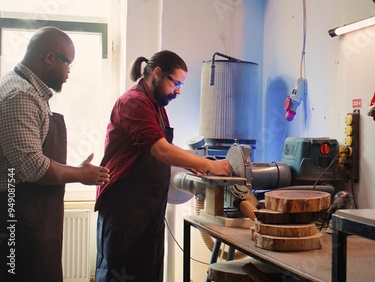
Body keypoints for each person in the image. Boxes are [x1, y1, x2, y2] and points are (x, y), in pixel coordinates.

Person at [95, 50, 232, 282]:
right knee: (121, 274)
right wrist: (210, 167)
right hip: (126, 208)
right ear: (157, 73)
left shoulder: (156, 107)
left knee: (147, 272)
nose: (178, 90)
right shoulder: (133, 102)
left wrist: (195, 163)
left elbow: (162, 149)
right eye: (176, 82)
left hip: (148, 208)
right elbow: (160, 149)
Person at [0, 26, 111, 282]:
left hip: (35, 214)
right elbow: (31, 166)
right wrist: (81, 174)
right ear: (49, 57)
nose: (69, 71)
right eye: (67, 63)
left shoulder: (33, 92)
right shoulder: (21, 94)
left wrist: (76, 170)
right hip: (20, 217)